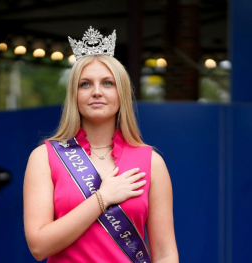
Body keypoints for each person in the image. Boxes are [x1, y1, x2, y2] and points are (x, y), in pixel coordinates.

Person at [23, 26, 178, 263]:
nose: (96, 92)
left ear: (121, 93)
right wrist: (103, 198)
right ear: (74, 94)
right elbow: (39, 246)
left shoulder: (151, 161)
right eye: (85, 84)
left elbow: (165, 254)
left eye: (107, 83)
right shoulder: (45, 157)